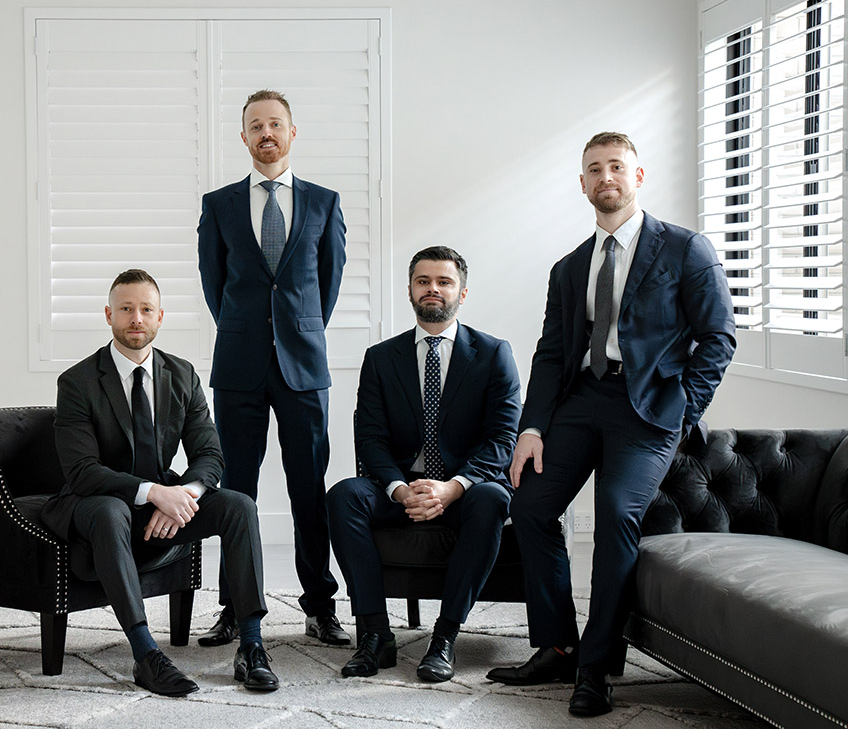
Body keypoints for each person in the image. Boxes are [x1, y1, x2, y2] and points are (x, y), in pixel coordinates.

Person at [486, 133, 736, 716]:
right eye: (594, 169)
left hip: (648, 408)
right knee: (529, 504)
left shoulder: (684, 249)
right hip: (582, 400)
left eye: (616, 167)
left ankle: (596, 666)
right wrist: (532, 429)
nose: (606, 178)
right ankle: (557, 644)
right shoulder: (570, 267)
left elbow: (718, 339)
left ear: (638, 175)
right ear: (582, 184)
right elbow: (551, 354)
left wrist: (680, 412)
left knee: (617, 515)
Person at [41, 269, 279, 697]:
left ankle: (252, 643)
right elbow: (82, 471)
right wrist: (155, 494)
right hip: (94, 503)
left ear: (160, 316)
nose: (136, 318)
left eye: (146, 309)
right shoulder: (76, 382)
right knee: (112, 508)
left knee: (239, 505)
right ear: (108, 315)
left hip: (164, 500)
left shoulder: (182, 374)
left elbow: (210, 454)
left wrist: (184, 497)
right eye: (126, 309)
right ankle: (146, 653)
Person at [327, 246, 522, 682]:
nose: (433, 289)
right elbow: (370, 438)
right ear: (410, 291)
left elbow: (502, 438)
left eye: (444, 281)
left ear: (462, 293)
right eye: (423, 281)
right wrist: (399, 488)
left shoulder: (494, 354)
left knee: (492, 499)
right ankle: (376, 635)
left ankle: (445, 637)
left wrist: (453, 487)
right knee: (343, 496)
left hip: (466, 488)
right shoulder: (381, 358)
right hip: (401, 485)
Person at [197, 89, 349, 647]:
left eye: (276, 124)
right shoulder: (219, 205)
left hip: (304, 369)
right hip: (238, 366)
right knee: (236, 493)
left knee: (308, 489)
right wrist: (246, 330)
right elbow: (215, 286)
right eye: (255, 125)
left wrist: (296, 332)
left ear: (291, 133)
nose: (266, 133)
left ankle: (319, 607)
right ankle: (234, 607)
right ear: (243, 137)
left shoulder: (325, 202)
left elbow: (325, 287)